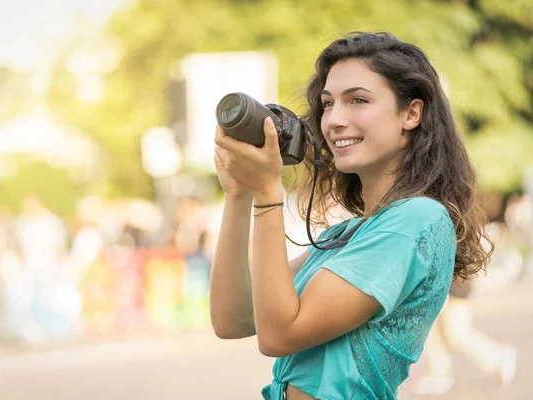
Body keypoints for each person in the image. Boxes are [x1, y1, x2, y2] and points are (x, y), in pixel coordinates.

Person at [210, 32, 493, 400]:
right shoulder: (350, 232)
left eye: (358, 100)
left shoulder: (418, 220)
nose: (335, 120)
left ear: (411, 113)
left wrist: (267, 195)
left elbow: (278, 335)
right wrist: (239, 195)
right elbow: (233, 320)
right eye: (327, 104)